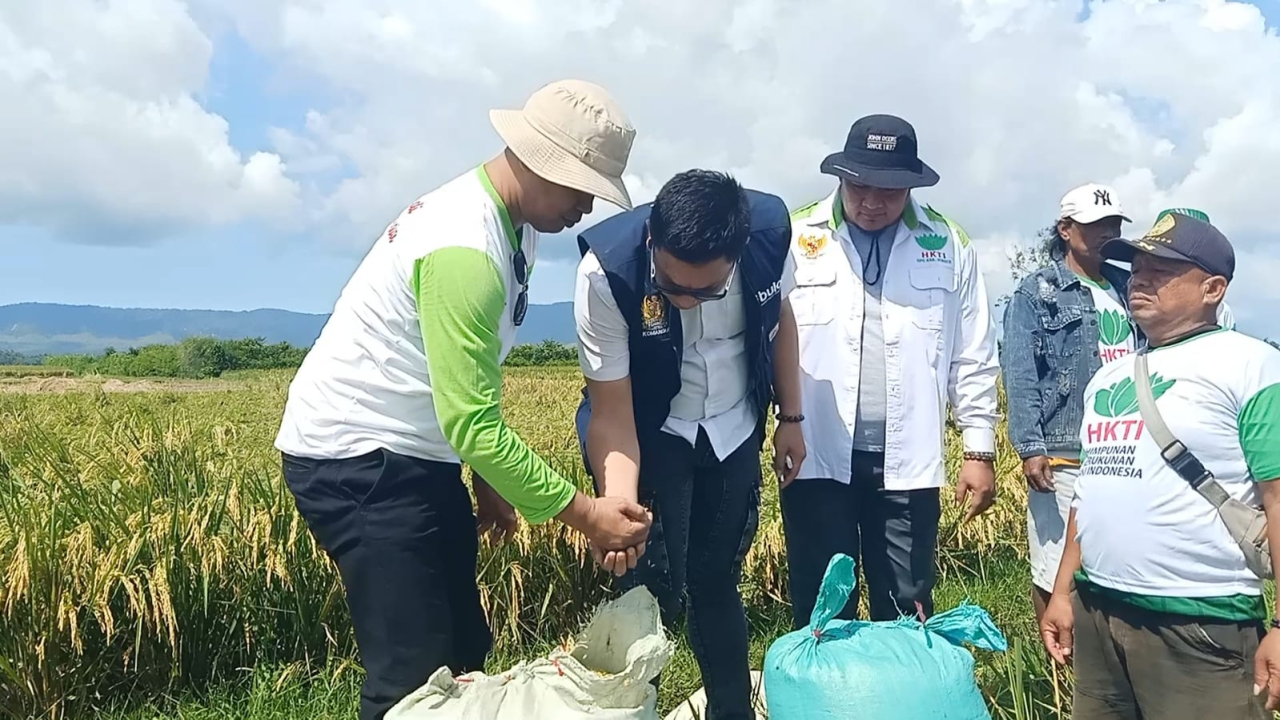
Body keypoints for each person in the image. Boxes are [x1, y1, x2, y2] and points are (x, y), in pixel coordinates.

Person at [273, 79, 653, 720]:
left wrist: (489, 482)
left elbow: (471, 375)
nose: (587, 206)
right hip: (359, 462)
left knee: (463, 652)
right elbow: (472, 423)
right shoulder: (466, 249)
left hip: (417, 456)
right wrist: (587, 514)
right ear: (540, 164)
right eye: (581, 187)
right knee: (412, 679)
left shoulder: (514, 225)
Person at [572, 169, 805, 720]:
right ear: (653, 239)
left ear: (736, 255)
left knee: (717, 581)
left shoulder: (768, 235)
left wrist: (791, 416)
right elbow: (612, 413)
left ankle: (732, 711)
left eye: (706, 291)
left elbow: (781, 320)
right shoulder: (607, 273)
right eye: (672, 287)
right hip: (654, 428)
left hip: (734, 425)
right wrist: (619, 505)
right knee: (648, 592)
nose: (687, 301)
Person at [1039, 212, 1280, 719]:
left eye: (1162, 271)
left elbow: (1277, 499)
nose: (1140, 279)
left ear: (1213, 288)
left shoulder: (1253, 366)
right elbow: (1089, 493)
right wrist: (1063, 593)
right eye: (1137, 268)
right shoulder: (1109, 378)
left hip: (1199, 624)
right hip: (1099, 611)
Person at [778, 114, 1000, 628]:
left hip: (909, 462)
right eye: (860, 188)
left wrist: (979, 449)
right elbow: (767, 338)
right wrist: (783, 422)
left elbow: (972, 352)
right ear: (840, 177)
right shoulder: (795, 235)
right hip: (816, 452)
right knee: (821, 603)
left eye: (889, 192)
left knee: (907, 603)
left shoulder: (948, 242)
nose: (872, 203)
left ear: (911, 187)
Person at [1002, 191, 1239, 627]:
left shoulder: (1127, 284)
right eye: (1094, 226)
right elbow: (1020, 371)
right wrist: (1031, 446)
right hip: (1065, 446)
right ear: (1065, 230)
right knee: (1053, 561)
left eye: (1112, 225)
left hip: (1124, 438)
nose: (1105, 234)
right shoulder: (1038, 290)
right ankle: (1056, 650)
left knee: (1107, 552)